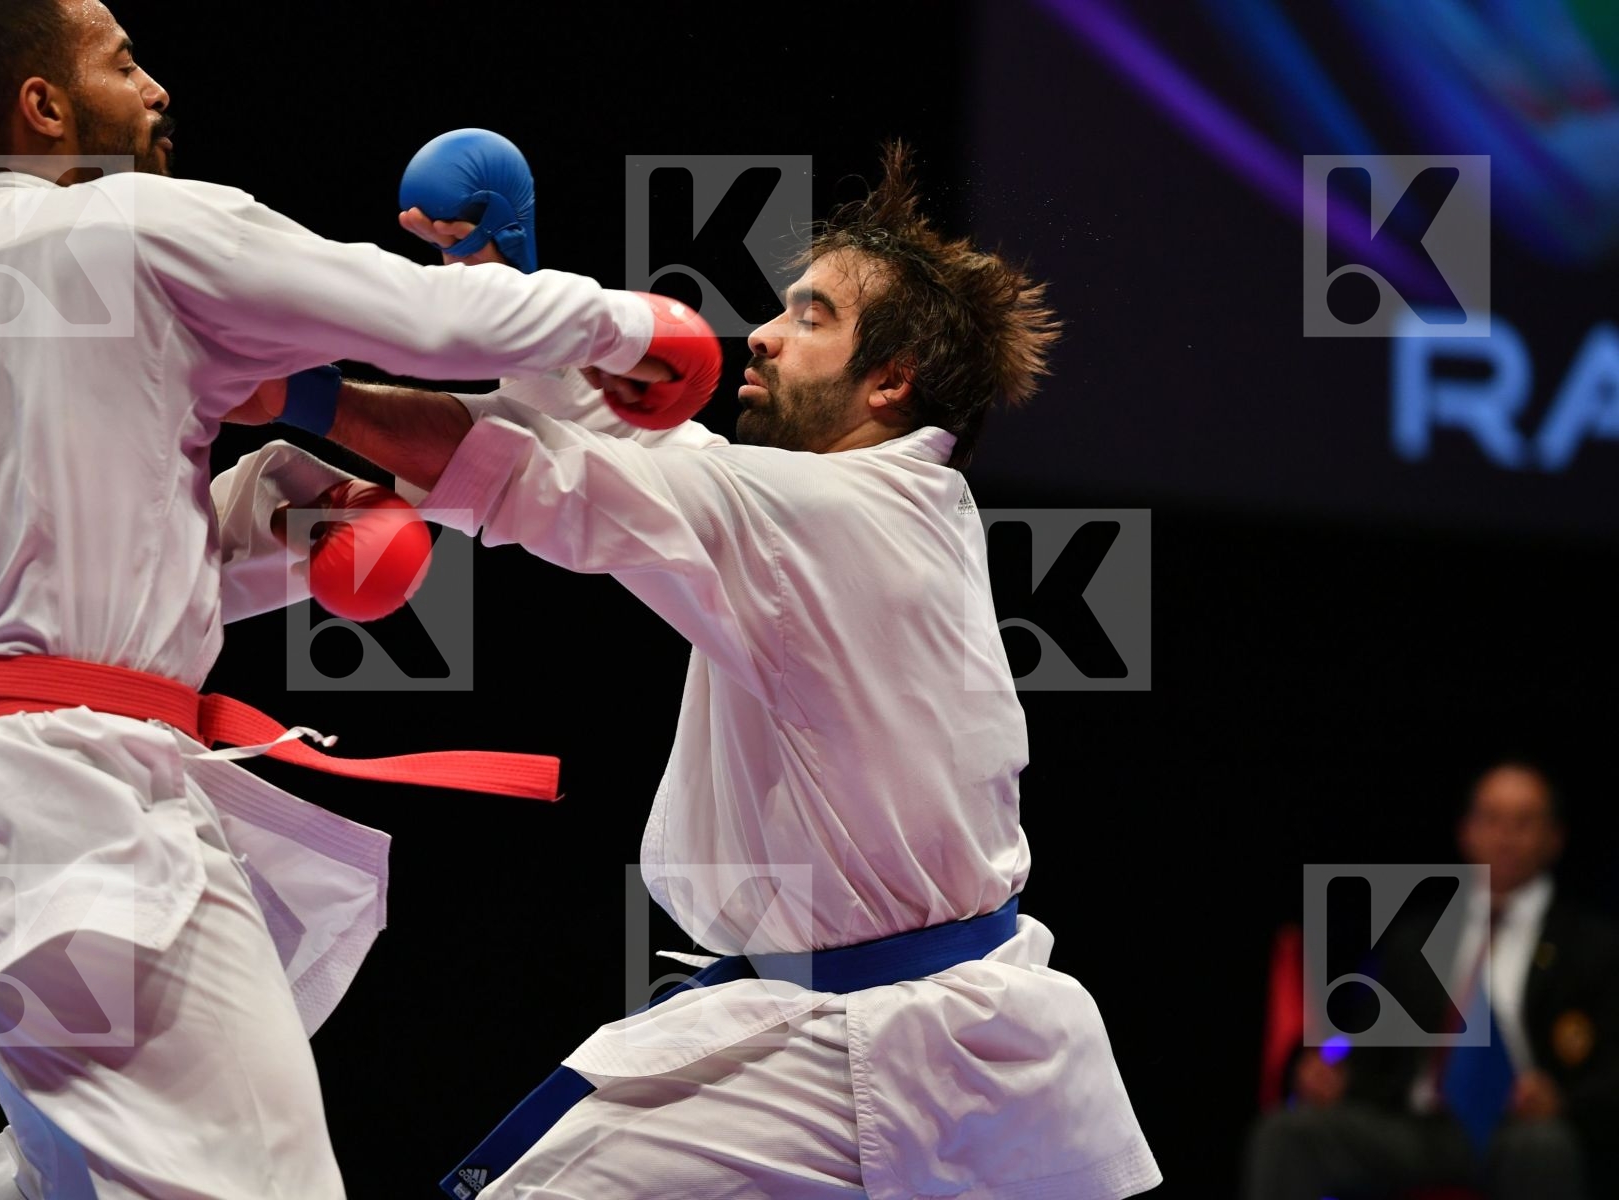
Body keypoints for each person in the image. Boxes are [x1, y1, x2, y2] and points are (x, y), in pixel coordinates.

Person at [0, 2, 699, 1196]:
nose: (156, 89)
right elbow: (416, 316)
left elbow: (31, 608)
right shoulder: (125, 221)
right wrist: (627, 322)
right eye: (122, 63)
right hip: (83, 821)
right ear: (41, 105)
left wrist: (284, 533)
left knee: (74, 1176)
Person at [257, 139, 1164, 1199]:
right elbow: (643, 459)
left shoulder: (825, 518)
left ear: (890, 381)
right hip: (940, 1041)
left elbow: (546, 480)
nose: (765, 336)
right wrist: (504, 292)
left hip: (870, 1053)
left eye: (811, 318)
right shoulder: (877, 506)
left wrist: (302, 394)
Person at [1243, 761, 1619, 1200]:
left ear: (1555, 838)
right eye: (1491, 819)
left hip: (1519, 1130)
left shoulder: (1594, 946)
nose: (1505, 837)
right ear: (1466, 831)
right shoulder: (1419, 935)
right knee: (1289, 1133)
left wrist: (1563, 1100)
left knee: (1544, 1146)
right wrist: (1336, 1076)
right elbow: (1370, 1052)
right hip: (1417, 1127)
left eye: (1524, 822)